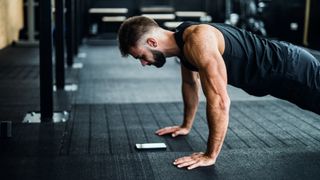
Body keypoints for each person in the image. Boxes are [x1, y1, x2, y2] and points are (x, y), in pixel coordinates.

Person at [117, 16, 320, 170]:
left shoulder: (198, 41)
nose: (143, 63)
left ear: (152, 42)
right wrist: (186, 125)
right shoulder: (183, 42)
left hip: (291, 70)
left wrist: (210, 155)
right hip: (279, 75)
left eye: (141, 57)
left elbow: (220, 101)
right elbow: (189, 84)